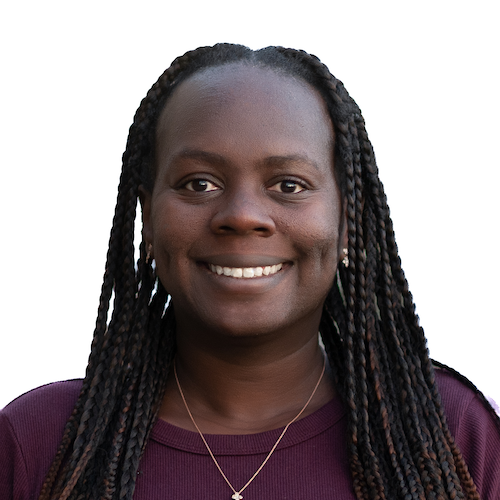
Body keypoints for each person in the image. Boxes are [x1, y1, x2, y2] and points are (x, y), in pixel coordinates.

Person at [1, 43, 499, 500]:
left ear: (348, 221)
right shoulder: (37, 442)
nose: (242, 215)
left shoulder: (447, 434)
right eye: (199, 183)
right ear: (147, 218)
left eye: (289, 185)